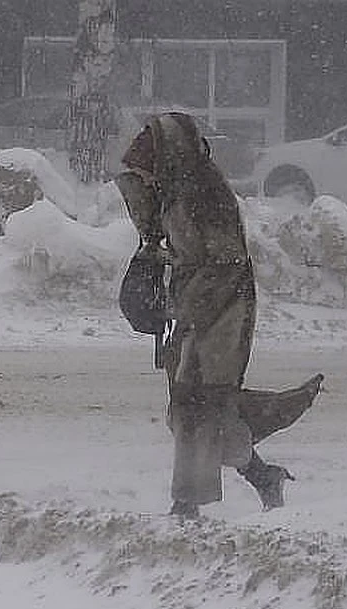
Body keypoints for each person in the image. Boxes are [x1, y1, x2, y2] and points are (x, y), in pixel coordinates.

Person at [114, 112, 323, 518]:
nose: (142, 153)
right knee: (197, 409)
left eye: (149, 148)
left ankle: (186, 503)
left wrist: (185, 302)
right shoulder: (173, 191)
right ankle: (263, 475)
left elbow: (226, 259)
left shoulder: (205, 193)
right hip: (195, 308)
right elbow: (165, 242)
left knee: (197, 406)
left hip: (223, 311)